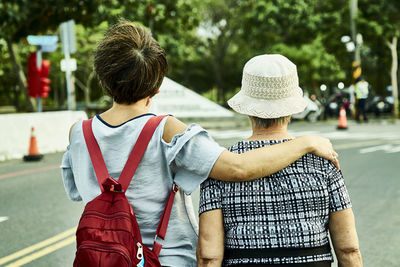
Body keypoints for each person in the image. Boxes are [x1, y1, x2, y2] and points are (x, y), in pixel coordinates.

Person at [61, 21, 339, 267]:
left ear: (103, 78)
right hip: (164, 260)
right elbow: (239, 168)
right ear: (157, 87)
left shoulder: (79, 134)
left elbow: (76, 191)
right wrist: (306, 142)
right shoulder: (166, 130)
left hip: (100, 260)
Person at [197, 54, 362, 267]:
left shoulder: (222, 165)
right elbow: (349, 250)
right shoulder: (323, 162)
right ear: (293, 109)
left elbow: (209, 256)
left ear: (247, 108)